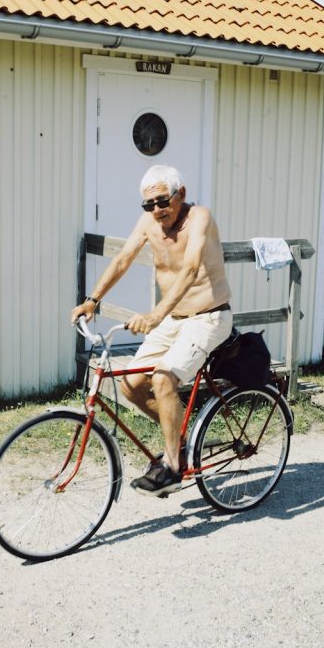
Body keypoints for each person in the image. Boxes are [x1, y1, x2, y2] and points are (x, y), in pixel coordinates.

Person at [70, 165, 233, 496]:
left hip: (209, 317)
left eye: (163, 201)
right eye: (149, 204)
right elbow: (122, 260)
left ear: (181, 194)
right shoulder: (149, 222)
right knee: (130, 386)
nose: (157, 210)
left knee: (162, 378)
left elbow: (189, 269)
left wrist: (157, 313)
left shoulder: (200, 217)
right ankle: (182, 441)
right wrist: (92, 300)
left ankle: (173, 467)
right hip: (174, 319)